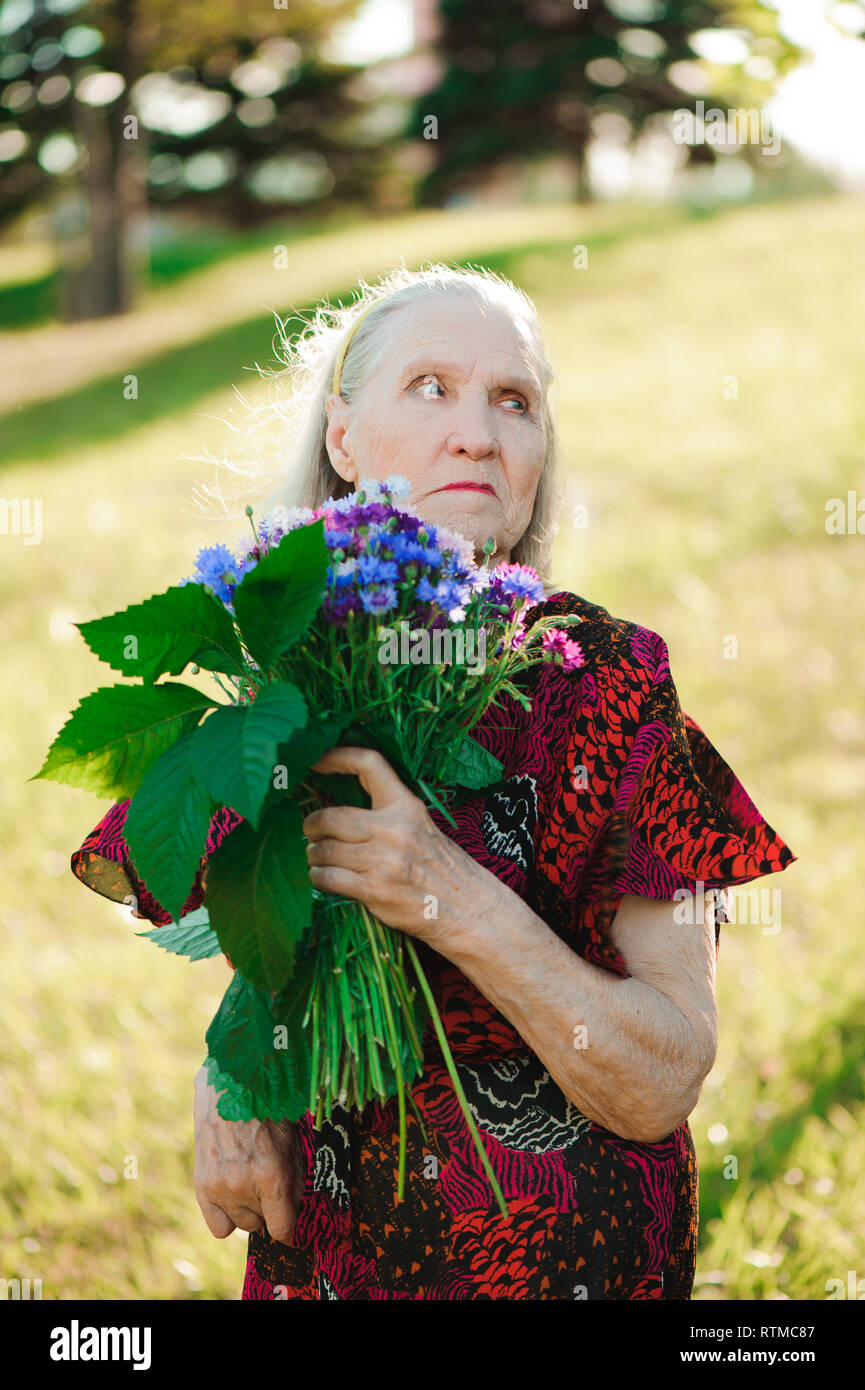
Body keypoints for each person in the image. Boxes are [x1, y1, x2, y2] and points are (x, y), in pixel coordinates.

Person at [71, 265, 795, 1300]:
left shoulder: (610, 682)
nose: (478, 433)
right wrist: (229, 1083)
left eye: (515, 401)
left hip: (564, 1267)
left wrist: (445, 895)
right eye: (429, 386)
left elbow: (663, 1074)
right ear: (342, 437)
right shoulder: (291, 673)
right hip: (330, 1259)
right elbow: (247, 929)